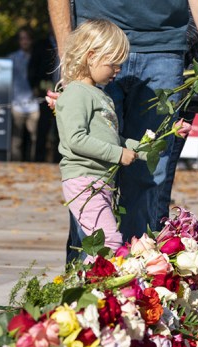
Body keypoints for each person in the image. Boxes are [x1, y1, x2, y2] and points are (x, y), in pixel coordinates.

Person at [49, 0, 198, 246]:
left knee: (150, 176)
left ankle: (138, 273)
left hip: (164, 44)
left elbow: (111, 138)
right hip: (99, 38)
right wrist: (69, 55)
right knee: (92, 190)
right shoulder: (83, 87)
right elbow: (79, 141)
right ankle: (86, 274)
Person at [56, 19, 148, 253]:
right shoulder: (76, 93)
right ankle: (89, 288)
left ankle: (88, 286)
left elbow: (111, 139)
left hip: (100, 182)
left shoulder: (100, 95)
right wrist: (118, 155)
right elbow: (75, 139)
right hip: (83, 180)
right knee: (109, 243)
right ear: (91, 55)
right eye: (113, 64)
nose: (118, 71)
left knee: (105, 244)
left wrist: (149, 148)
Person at [28, 31, 62, 163]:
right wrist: (34, 86)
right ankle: (39, 159)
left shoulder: (68, 43)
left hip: (63, 92)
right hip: (44, 92)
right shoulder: (41, 45)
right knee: (43, 127)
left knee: (61, 129)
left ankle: (58, 160)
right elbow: (32, 67)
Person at [8, 27, 41, 161]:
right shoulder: (12, 58)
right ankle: (15, 165)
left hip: (34, 104)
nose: (25, 42)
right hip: (17, 104)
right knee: (17, 140)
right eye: (22, 39)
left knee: (34, 139)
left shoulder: (37, 58)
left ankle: (32, 164)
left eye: (27, 38)